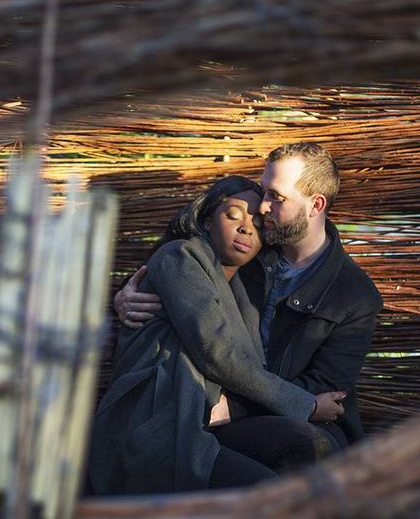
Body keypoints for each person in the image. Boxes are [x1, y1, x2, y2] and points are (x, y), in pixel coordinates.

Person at [116, 142, 382, 453]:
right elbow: (181, 270)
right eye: (265, 191)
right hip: (208, 411)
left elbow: (326, 391)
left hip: (297, 422)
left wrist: (235, 409)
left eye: (276, 197)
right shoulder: (247, 250)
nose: (263, 208)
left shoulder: (355, 296)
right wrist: (126, 293)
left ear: (315, 205)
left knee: (308, 446)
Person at [87, 176, 340, 496]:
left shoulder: (245, 293)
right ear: (206, 220)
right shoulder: (180, 256)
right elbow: (216, 352)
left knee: (313, 444)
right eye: (234, 215)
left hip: (205, 422)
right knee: (268, 495)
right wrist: (307, 406)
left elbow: (251, 369)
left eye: (259, 223)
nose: (247, 228)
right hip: (159, 424)